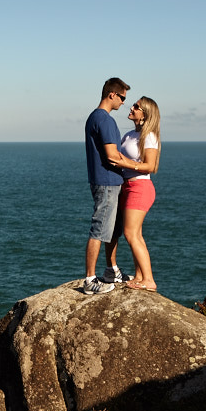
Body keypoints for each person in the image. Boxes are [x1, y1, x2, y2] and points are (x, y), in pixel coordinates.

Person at [107, 96, 162, 291]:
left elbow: (150, 166)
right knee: (135, 234)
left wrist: (125, 163)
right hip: (126, 186)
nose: (131, 107)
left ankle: (149, 280)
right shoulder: (129, 134)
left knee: (131, 233)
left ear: (145, 113)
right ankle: (140, 275)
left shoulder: (150, 136)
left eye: (136, 106)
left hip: (140, 187)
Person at [83, 78, 130, 294]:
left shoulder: (94, 117)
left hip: (106, 181)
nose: (123, 103)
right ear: (111, 94)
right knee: (100, 228)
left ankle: (111, 270)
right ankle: (90, 280)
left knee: (112, 230)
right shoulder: (105, 120)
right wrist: (138, 165)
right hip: (107, 182)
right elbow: (112, 156)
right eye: (122, 97)